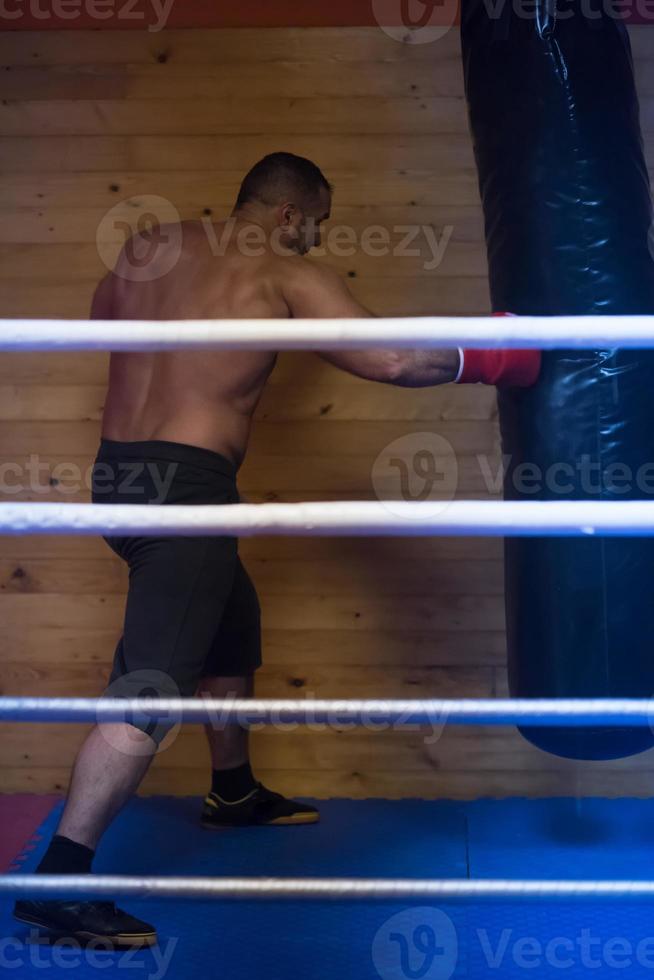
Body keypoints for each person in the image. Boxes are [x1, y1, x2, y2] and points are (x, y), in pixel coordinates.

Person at [14, 152, 540, 949]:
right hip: (184, 492)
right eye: (317, 225)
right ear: (290, 215)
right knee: (151, 686)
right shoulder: (283, 270)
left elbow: (104, 327)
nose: (314, 239)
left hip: (120, 477)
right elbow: (390, 357)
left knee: (230, 617)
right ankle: (60, 876)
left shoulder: (146, 247)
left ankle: (232, 790)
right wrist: (497, 357)